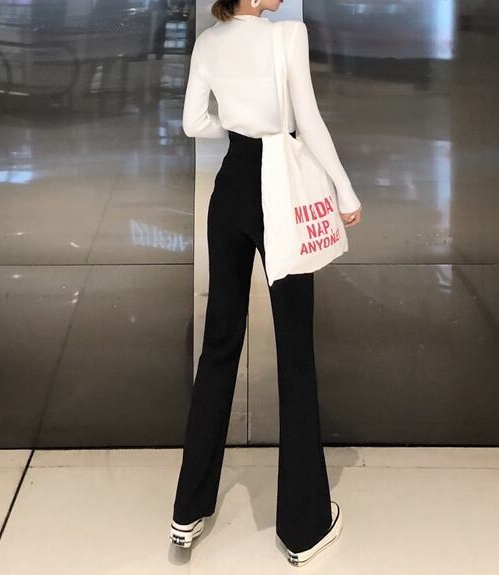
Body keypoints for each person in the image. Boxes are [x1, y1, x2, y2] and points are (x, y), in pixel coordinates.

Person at [169, 0, 362, 567]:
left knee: (219, 342)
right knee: (295, 351)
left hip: (230, 188)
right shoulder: (288, 35)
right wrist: (345, 191)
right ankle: (303, 528)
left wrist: (235, 125)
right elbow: (310, 120)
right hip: (279, 191)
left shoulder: (208, 42)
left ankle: (187, 510)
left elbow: (192, 123)